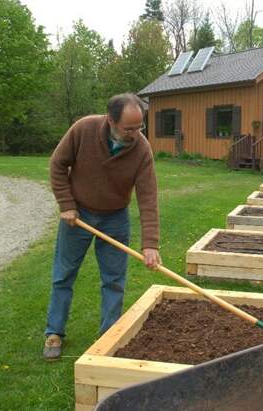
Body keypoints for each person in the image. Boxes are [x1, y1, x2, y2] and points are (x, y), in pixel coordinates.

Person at [43, 93, 161, 361]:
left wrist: (151, 244)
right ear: (111, 120)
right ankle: (54, 332)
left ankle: (109, 336)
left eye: (139, 127)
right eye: (129, 128)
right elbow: (57, 165)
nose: (135, 133)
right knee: (64, 275)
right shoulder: (83, 129)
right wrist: (66, 204)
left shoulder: (141, 149)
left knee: (114, 281)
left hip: (115, 219)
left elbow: (148, 197)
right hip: (79, 215)